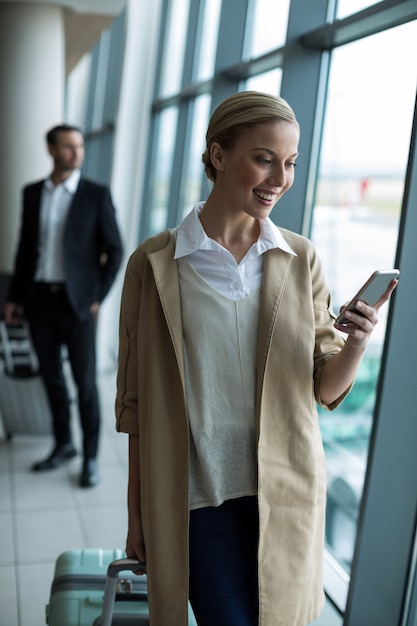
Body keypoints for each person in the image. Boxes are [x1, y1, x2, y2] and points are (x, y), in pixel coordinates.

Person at [115, 91, 398, 625]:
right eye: (264, 158)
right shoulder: (152, 265)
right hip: (198, 498)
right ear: (218, 155)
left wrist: (357, 342)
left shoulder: (299, 257)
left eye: (289, 163)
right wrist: (137, 516)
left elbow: (326, 387)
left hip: (285, 490)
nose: (280, 178)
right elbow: (135, 407)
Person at [5, 124, 123, 488]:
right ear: (51, 149)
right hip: (40, 301)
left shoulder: (95, 194)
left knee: (85, 384)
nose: (77, 153)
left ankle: (89, 458)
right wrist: (15, 298)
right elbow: (26, 249)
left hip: (77, 306)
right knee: (53, 380)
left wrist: (95, 298)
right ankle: (63, 445)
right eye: (69, 146)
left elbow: (115, 250)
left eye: (80, 146)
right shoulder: (32, 193)